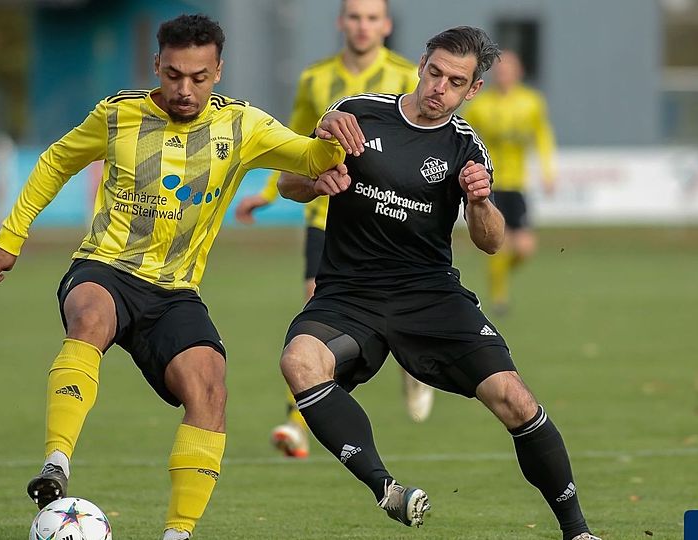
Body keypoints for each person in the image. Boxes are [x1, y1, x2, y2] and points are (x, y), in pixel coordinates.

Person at [0, 14, 364, 540]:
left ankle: (178, 533)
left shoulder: (244, 125)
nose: (186, 89)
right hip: (105, 267)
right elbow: (55, 162)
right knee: (90, 317)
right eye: (175, 75)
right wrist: (11, 236)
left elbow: (309, 155)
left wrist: (333, 134)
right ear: (156, 64)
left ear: (219, 70)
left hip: (176, 291)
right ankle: (56, 464)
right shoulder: (117, 116)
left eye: (200, 77)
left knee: (210, 388)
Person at [275, 26, 599, 540]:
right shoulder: (358, 112)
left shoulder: (466, 148)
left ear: (472, 90)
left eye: (455, 82)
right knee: (298, 361)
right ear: (421, 63)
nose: (438, 88)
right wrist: (316, 180)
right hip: (349, 295)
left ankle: (578, 531)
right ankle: (386, 489)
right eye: (434, 73)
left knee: (517, 400)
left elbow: (492, 242)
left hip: (429, 297)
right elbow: (286, 181)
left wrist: (481, 202)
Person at [232, 0, 436, 459]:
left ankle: (413, 363)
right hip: (327, 214)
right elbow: (294, 143)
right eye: (354, 17)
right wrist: (267, 193)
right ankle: (297, 421)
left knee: (402, 307)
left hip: (389, 214)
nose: (362, 26)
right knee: (315, 309)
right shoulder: (315, 78)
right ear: (340, 22)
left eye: (371, 18)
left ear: (385, 25)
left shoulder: (409, 77)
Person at [460, 50, 556, 315]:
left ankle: (498, 276)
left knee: (524, 248)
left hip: (518, 184)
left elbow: (542, 136)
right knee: (498, 245)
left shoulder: (531, 102)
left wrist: (548, 172)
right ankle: (500, 297)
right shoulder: (480, 105)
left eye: (509, 70)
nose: (504, 75)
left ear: (519, 72)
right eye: (500, 71)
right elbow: (460, 135)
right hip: (491, 183)